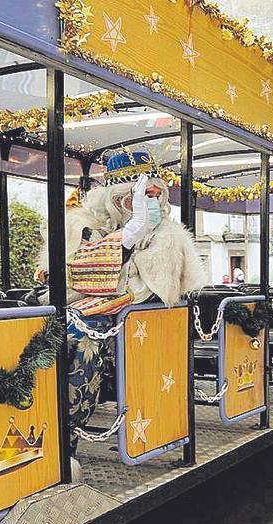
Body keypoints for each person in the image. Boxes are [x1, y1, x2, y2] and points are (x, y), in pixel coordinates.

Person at [39, 153, 206, 453]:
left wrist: (130, 239)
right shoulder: (84, 225)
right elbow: (71, 274)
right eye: (142, 197)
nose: (151, 203)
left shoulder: (167, 235)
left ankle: (66, 441)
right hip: (84, 311)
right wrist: (127, 237)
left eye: (156, 196)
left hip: (134, 323)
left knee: (81, 339)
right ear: (117, 200)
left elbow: (149, 287)